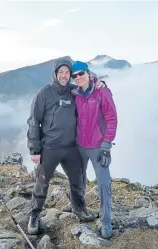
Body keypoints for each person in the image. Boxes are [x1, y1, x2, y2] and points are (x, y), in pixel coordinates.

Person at [26, 58, 95, 235]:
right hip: (49, 147)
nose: (64, 75)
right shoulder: (44, 94)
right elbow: (34, 121)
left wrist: (99, 82)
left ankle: (78, 207)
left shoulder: (74, 91)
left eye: (66, 72)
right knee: (42, 183)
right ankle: (34, 215)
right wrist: (34, 149)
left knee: (78, 178)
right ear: (55, 74)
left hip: (71, 146)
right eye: (60, 72)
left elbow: (90, 87)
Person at [71, 61, 118, 239]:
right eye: (74, 76)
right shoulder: (74, 93)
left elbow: (112, 118)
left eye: (81, 73)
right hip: (79, 145)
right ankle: (78, 204)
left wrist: (107, 145)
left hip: (98, 146)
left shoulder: (102, 92)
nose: (78, 78)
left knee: (103, 183)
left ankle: (106, 221)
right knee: (78, 177)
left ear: (89, 73)